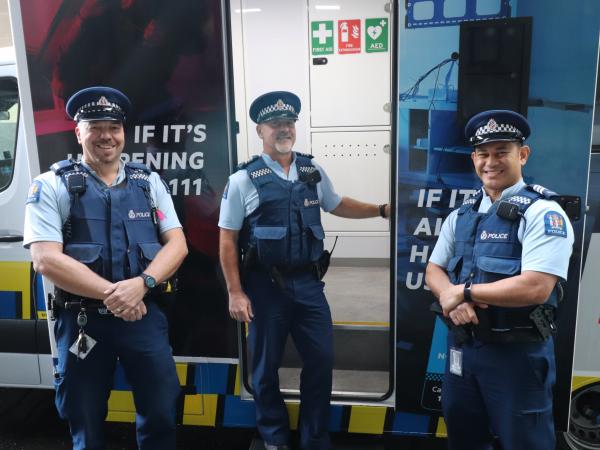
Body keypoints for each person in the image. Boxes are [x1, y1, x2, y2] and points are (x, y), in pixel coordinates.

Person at [219, 91, 390, 450]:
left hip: (310, 286)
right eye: (275, 124)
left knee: (321, 361)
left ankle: (315, 438)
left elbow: (337, 204)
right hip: (265, 288)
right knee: (265, 370)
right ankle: (274, 438)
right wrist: (236, 291)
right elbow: (227, 240)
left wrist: (381, 209)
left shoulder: (312, 171)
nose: (284, 129)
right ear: (260, 130)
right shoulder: (243, 180)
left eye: (289, 123)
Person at [23, 86, 188, 450]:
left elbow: (177, 244)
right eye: (94, 126)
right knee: (84, 417)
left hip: (142, 317)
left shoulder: (149, 184)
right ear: (78, 132)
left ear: (123, 133)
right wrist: (115, 294)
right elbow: (45, 258)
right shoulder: (51, 186)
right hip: (83, 321)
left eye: (113, 126)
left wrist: (142, 284)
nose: (105, 136)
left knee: (161, 407)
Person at [425, 110, 574, 450]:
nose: (490, 161)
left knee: (525, 442)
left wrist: (462, 292)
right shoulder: (461, 215)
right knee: (464, 437)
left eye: (501, 152)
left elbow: (537, 286)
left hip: (516, 354)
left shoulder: (542, 213)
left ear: (522, 154)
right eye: (483, 153)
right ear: (474, 158)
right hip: (464, 347)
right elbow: (434, 269)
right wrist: (450, 294)